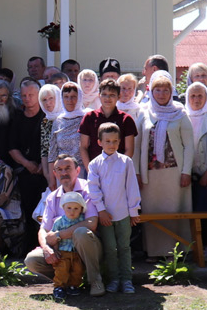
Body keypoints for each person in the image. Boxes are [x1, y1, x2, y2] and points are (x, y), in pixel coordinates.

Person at [23, 155, 106, 297]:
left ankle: (95, 280)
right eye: (59, 170)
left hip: (88, 251)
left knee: (81, 233)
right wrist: (47, 248)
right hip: (63, 253)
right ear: (54, 173)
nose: (64, 173)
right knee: (32, 260)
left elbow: (92, 223)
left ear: (77, 170)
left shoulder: (88, 189)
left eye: (68, 168)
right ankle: (66, 280)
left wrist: (58, 235)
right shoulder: (52, 197)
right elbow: (43, 229)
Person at [136, 73, 196, 260]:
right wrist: (137, 172)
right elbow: (137, 145)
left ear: (171, 92)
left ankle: (177, 252)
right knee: (153, 212)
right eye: (157, 90)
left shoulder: (180, 112)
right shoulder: (144, 112)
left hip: (175, 173)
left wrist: (186, 171)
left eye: (165, 90)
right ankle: (155, 252)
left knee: (174, 212)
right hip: (151, 174)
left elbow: (189, 145)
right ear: (151, 92)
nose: (161, 94)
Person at [86, 123, 140, 294]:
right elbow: (93, 188)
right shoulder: (95, 164)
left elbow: (132, 187)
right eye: (107, 141)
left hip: (123, 214)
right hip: (105, 217)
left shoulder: (126, 162)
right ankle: (114, 279)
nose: (112, 144)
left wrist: (133, 211)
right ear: (99, 142)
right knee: (110, 249)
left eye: (115, 141)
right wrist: (101, 211)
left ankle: (126, 280)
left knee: (124, 247)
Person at [8, 80, 47, 251]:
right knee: (28, 210)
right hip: (25, 172)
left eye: (31, 95)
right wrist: (27, 163)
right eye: (23, 95)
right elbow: (11, 147)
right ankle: (30, 247)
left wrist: (42, 165)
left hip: (46, 173)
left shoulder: (47, 116)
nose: (27, 98)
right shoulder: (16, 118)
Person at [184, 82, 207, 259]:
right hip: (187, 174)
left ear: (206, 97)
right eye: (193, 96)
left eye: (200, 96)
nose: (196, 99)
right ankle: (191, 248)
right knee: (189, 211)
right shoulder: (182, 116)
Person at [80, 79, 139, 163]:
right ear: (99, 95)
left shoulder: (126, 119)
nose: (107, 98)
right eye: (104, 94)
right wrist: (90, 171)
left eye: (112, 95)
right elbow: (83, 147)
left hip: (118, 170)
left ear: (118, 97)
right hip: (95, 169)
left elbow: (129, 149)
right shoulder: (89, 117)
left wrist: (118, 169)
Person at [49, 192, 88, 301]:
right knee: (62, 269)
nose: (72, 211)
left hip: (77, 252)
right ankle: (59, 287)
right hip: (63, 251)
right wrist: (55, 250)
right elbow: (53, 236)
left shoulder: (82, 220)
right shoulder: (59, 222)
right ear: (63, 208)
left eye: (76, 208)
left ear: (81, 209)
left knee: (78, 269)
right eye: (69, 208)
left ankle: (73, 285)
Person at [49, 83, 87, 170]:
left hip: (82, 169)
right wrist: (51, 179)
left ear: (79, 97)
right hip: (62, 171)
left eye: (73, 96)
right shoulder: (58, 121)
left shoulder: (86, 119)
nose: (70, 100)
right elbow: (52, 153)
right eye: (66, 96)